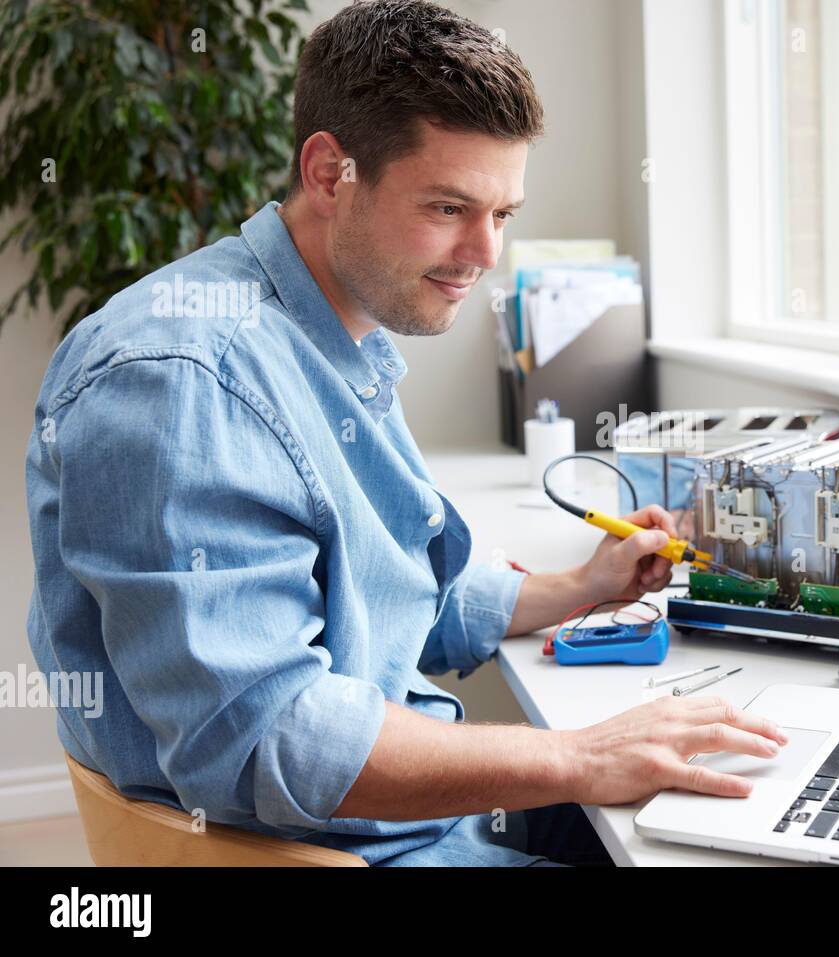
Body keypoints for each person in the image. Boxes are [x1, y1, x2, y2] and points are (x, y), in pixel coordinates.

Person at [25, 0, 786, 866]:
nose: (485, 252)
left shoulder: (333, 329)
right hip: (339, 851)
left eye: (503, 213)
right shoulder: (182, 382)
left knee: (746, 809)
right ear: (329, 173)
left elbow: (373, 593)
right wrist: (577, 755)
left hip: (392, 828)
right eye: (450, 206)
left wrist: (578, 585)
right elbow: (268, 738)